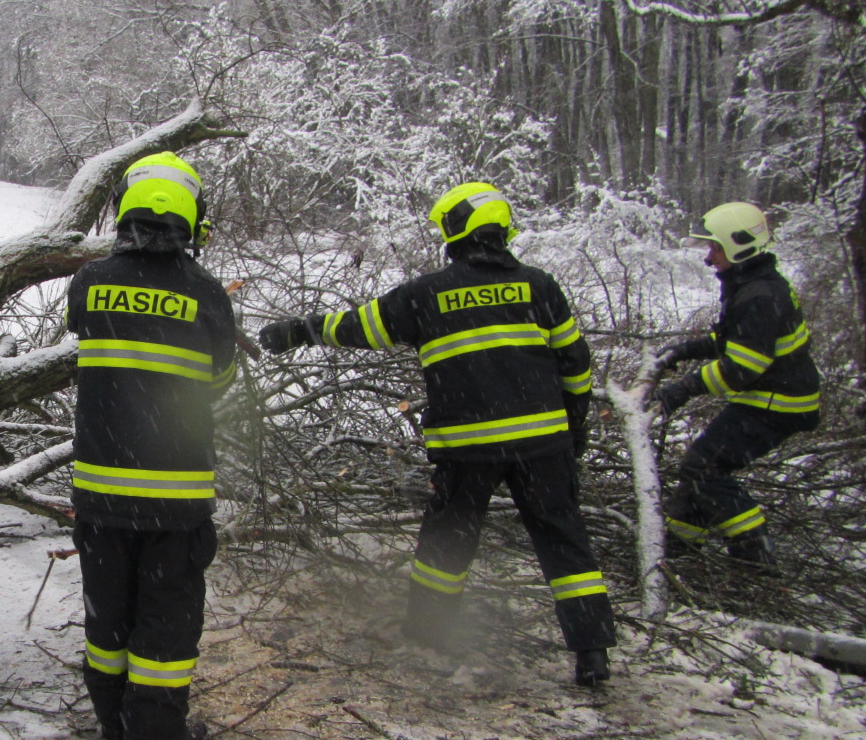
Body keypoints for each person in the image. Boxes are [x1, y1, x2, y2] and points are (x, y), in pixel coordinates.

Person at [257, 183, 616, 687]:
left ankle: (430, 629)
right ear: (501, 230)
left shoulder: (427, 294)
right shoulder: (539, 286)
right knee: (563, 539)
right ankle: (593, 652)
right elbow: (576, 364)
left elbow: (363, 326)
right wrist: (573, 429)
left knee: (450, 535)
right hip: (543, 444)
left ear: (455, 232)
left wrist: (301, 330)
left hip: (468, 447)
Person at [66, 151, 237, 740]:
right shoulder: (206, 292)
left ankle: (112, 718)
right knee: (166, 615)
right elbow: (220, 375)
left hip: (100, 487)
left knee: (106, 608)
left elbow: (82, 329)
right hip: (175, 492)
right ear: (193, 217)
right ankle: (155, 732)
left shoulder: (90, 281)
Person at [652, 202, 820, 564]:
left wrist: (682, 389)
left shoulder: (759, 295)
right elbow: (734, 340)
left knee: (705, 467)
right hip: (772, 396)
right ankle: (681, 549)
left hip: (780, 403)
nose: (710, 258)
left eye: (715, 248)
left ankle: (754, 557)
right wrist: (686, 350)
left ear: (739, 245)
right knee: (699, 467)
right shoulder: (751, 284)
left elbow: (741, 369)